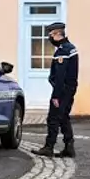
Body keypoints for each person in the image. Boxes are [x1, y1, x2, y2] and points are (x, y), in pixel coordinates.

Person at [31, 22, 78, 158]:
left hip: (62, 90)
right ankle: (69, 146)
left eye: (51, 35)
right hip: (70, 88)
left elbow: (60, 76)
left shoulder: (63, 51)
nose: (49, 38)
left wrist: (56, 96)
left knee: (53, 118)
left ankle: (49, 147)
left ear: (58, 34)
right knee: (63, 117)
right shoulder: (71, 48)